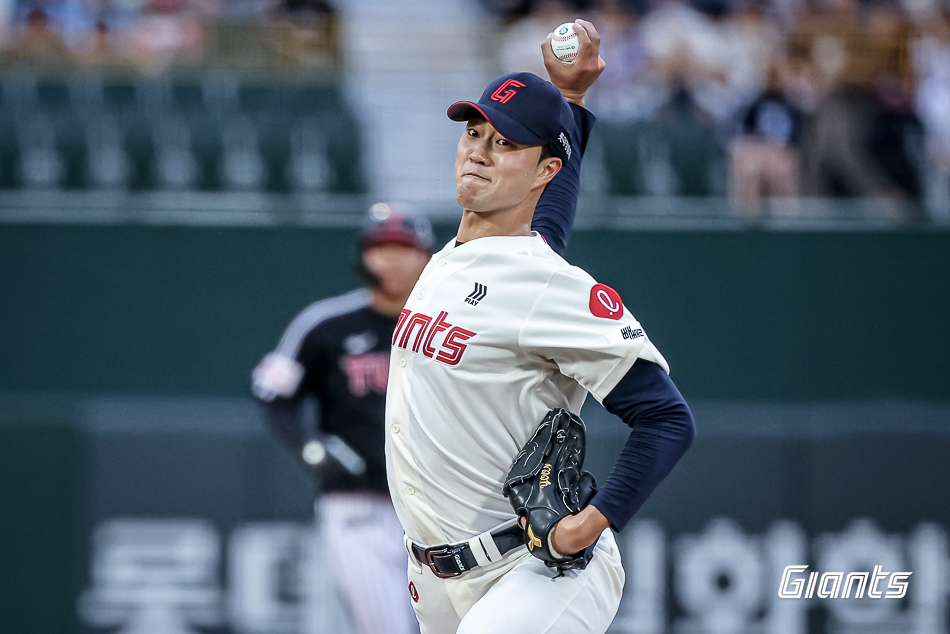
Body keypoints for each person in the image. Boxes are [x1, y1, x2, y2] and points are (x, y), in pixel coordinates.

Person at [385, 20, 696, 634]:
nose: (477, 149)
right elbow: (545, 221)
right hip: (438, 579)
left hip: (536, 569)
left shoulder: (549, 285)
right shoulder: (456, 257)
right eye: (474, 132)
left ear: (545, 168)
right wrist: (570, 102)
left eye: (504, 143)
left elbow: (666, 418)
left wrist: (593, 520)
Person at [252, 208, 433, 634]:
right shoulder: (327, 324)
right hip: (359, 504)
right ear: (362, 257)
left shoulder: (453, 328)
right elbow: (273, 392)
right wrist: (312, 449)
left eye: (403, 248)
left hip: (439, 505)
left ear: (428, 257)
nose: (390, 259)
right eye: (380, 247)